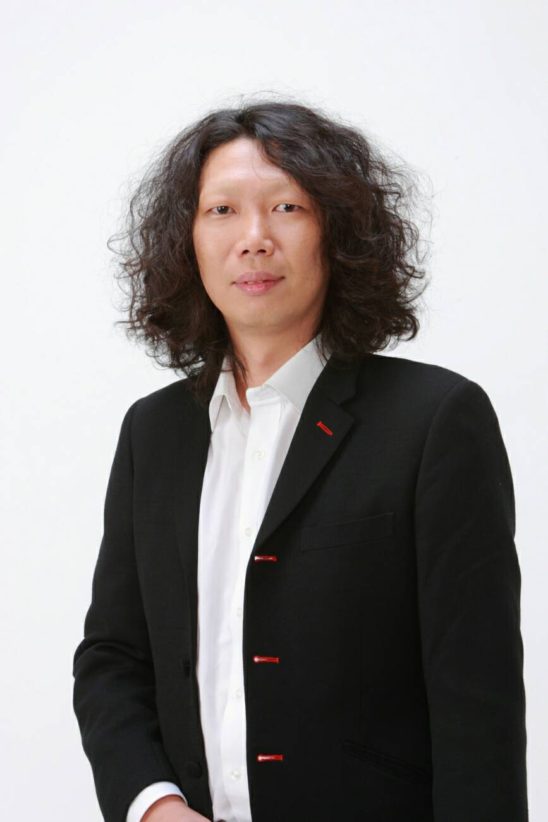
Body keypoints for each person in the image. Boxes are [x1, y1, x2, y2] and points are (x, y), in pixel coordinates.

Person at [72, 99, 528, 822]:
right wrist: (153, 806)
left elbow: (478, 702)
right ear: (187, 241)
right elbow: (112, 658)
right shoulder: (153, 433)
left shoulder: (435, 420)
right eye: (221, 211)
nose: (253, 239)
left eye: (287, 207)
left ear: (336, 232)